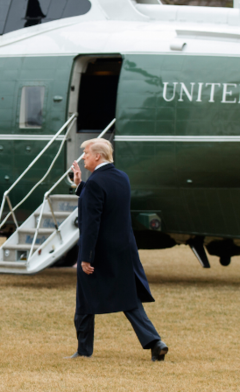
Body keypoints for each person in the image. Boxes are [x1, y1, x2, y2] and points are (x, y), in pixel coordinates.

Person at [67, 138, 168, 362]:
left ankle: (84, 350)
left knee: (84, 300)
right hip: (124, 250)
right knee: (129, 300)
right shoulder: (122, 177)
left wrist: (85, 257)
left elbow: (92, 223)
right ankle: (155, 342)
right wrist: (79, 185)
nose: (83, 157)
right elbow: (105, 203)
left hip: (99, 252)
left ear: (97, 156)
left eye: (85, 153)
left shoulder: (95, 183)